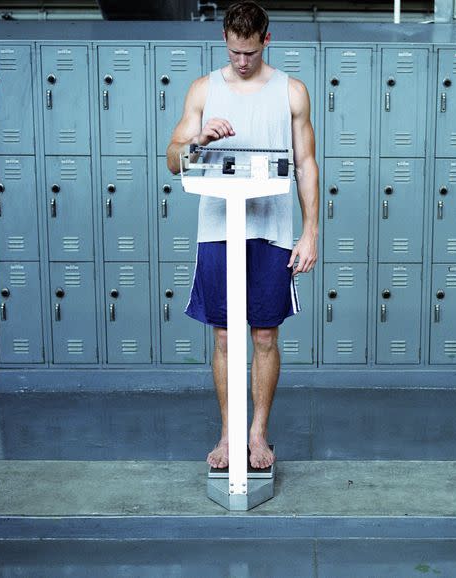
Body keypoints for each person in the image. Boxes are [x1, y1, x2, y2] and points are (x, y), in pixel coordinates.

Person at [166, 0, 318, 470]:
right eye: (234, 52)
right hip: (218, 229)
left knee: (265, 336)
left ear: (265, 41)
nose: (242, 61)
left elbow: (307, 164)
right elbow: (172, 158)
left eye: (250, 52)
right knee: (224, 339)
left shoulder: (291, 92)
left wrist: (311, 230)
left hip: (270, 232)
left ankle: (258, 434)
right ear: (226, 43)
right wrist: (198, 141)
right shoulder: (203, 90)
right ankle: (229, 435)